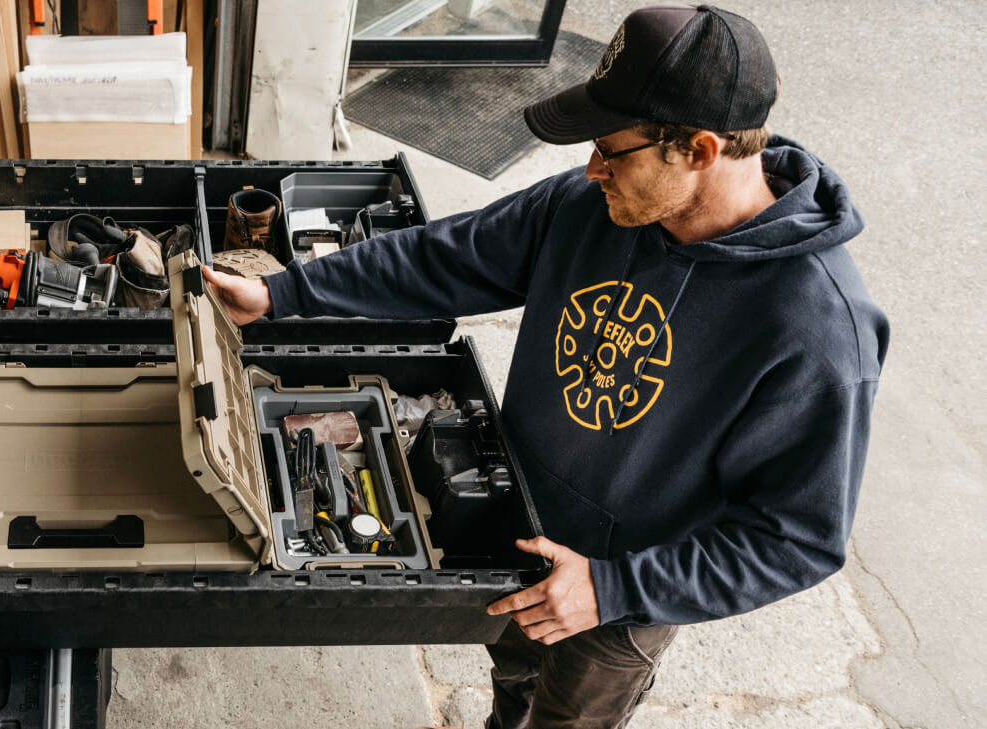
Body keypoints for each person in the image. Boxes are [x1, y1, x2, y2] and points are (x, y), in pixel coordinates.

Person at [203, 4, 889, 728]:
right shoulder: (595, 204)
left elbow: (797, 538)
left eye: (613, 151)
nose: (592, 169)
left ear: (698, 150)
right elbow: (446, 257)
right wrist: (283, 292)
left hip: (623, 599)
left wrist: (614, 585)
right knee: (513, 675)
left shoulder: (818, 330)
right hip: (518, 522)